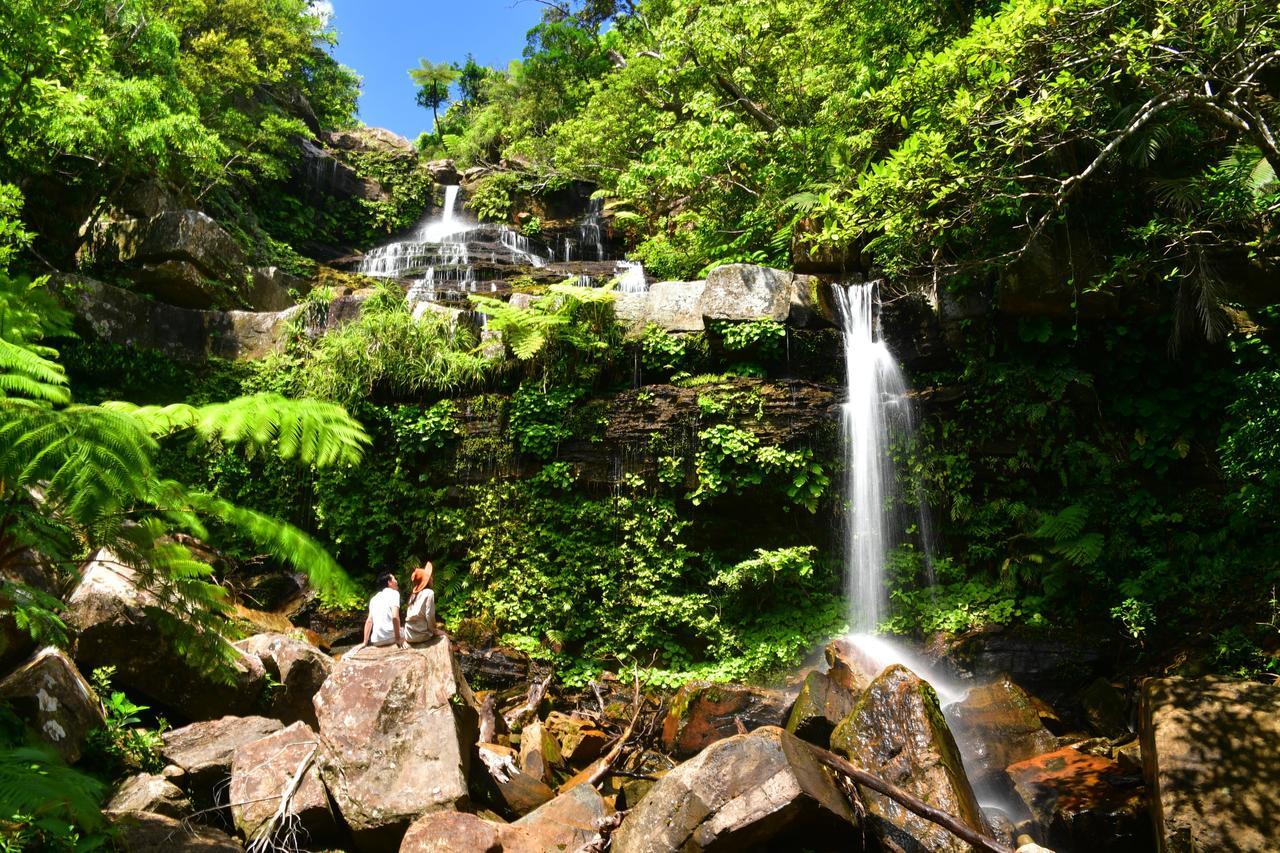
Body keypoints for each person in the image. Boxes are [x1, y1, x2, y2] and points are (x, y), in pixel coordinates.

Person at [351, 572, 407, 652]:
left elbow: (369, 621)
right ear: (389, 582)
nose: (396, 581)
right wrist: (398, 638)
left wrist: (364, 642)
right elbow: (395, 617)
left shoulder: (374, 598)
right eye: (394, 579)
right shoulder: (394, 593)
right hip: (391, 637)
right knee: (407, 631)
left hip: (376, 641)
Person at [404, 560, 439, 643]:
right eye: (430, 577)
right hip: (421, 635)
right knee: (444, 635)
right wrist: (434, 630)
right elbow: (429, 615)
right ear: (426, 581)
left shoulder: (413, 595)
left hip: (408, 635)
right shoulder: (429, 593)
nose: (432, 578)